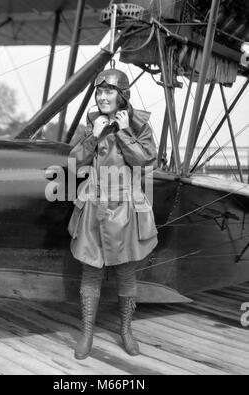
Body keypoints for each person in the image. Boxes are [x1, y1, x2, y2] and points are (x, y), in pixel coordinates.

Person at [68, 68, 158, 360]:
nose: (102, 97)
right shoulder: (90, 125)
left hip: (126, 208)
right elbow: (73, 163)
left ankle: (126, 331)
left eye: (109, 92)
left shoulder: (140, 125)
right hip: (95, 206)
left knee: (126, 273)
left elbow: (145, 162)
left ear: (122, 96)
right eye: (99, 92)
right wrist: (92, 138)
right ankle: (87, 333)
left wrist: (126, 131)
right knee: (90, 271)